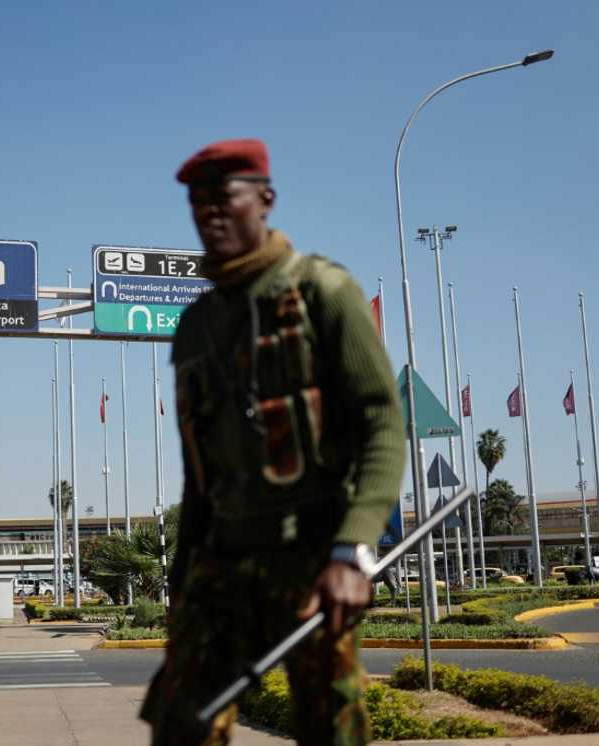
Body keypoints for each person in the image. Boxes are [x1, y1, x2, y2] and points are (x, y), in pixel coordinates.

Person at [140, 139, 405, 746]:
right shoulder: (196, 327)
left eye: (224, 197)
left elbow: (382, 424)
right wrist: (182, 583)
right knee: (182, 722)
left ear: (265, 199)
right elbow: (198, 476)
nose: (209, 213)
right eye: (197, 202)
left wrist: (352, 551)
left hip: (312, 555)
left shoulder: (323, 291)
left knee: (330, 724)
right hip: (221, 558)